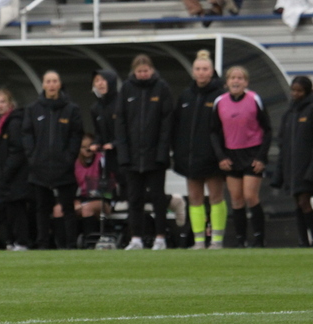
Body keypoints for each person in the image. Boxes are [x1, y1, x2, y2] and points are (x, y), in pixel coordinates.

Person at [115, 54, 173, 251]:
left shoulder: (162, 88)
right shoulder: (126, 89)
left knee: (158, 199)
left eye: (145, 71)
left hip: (155, 156)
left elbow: (167, 123)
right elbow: (120, 123)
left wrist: (162, 154)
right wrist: (123, 154)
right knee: (135, 199)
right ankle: (136, 238)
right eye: (139, 72)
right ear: (134, 72)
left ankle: (160, 237)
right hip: (132, 157)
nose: (142, 74)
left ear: (152, 70)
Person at [210, 66, 272, 248]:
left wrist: (261, 157)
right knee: (236, 199)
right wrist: (221, 156)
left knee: (250, 196)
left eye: (240, 78)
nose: (236, 81)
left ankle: (259, 239)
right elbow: (213, 132)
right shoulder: (220, 102)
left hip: (253, 153)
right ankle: (240, 240)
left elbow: (267, 130)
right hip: (231, 154)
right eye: (232, 78)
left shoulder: (254, 99)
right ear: (227, 82)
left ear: (246, 82)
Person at [171, 50, 227, 249]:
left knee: (215, 197)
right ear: (193, 72)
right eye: (198, 69)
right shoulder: (186, 95)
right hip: (189, 157)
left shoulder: (221, 95)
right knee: (194, 198)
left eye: (205, 69)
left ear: (212, 71)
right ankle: (199, 241)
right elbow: (177, 126)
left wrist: (221, 154)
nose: (201, 73)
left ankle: (217, 240)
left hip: (212, 157)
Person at [22, 70, 83, 249]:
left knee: (68, 208)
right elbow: (26, 134)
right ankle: (43, 244)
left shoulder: (71, 109)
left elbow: (76, 135)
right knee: (41, 209)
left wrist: (69, 158)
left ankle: (71, 244)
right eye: (48, 81)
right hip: (39, 168)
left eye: (54, 81)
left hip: (63, 167)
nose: (51, 85)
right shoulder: (33, 109)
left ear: (59, 84)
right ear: (43, 85)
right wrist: (33, 157)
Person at [270, 76, 313, 247]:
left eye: (299, 91)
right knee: (297, 203)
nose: (295, 94)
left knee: (304, 201)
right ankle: (303, 240)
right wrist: (280, 172)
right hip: (292, 168)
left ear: (307, 92)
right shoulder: (289, 113)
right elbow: (283, 143)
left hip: (307, 168)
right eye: (293, 90)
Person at [0, 88, 30, 251]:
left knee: (16, 208)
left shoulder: (14, 123)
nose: (0, 105)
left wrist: (6, 171)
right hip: (7, 174)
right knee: (7, 208)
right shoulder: (3, 124)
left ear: (10, 103)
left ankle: (21, 241)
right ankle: (11, 241)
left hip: (16, 175)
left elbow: (17, 150)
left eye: (3, 102)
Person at [55, 132, 109, 240]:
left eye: (89, 146)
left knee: (86, 209)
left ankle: (90, 242)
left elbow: (107, 188)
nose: (87, 149)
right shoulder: (74, 163)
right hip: (80, 199)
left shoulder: (102, 160)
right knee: (58, 209)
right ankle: (63, 244)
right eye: (83, 147)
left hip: (102, 199)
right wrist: (75, 201)